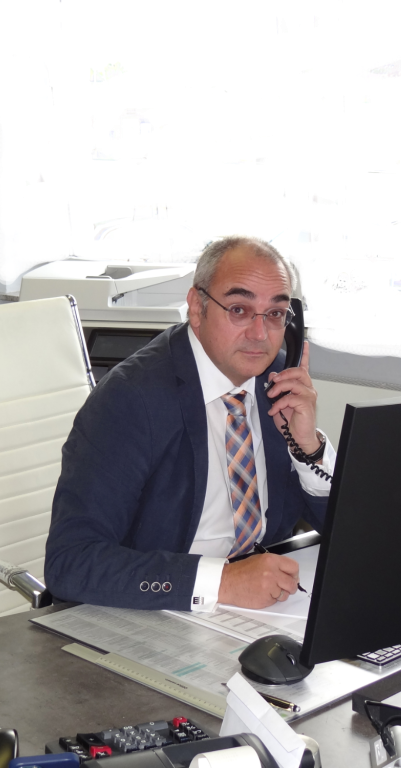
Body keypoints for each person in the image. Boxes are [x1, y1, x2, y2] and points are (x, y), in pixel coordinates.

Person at [44, 235, 337, 612]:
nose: (260, 335)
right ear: (197, 308)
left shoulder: (278, 381)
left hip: (263, 604)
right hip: (158, 607)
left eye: (275, 313)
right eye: (239, 309)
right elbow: (71, 564)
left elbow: (349, 535)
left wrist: (307, 448)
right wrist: (222, 582)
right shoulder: (130, 399)